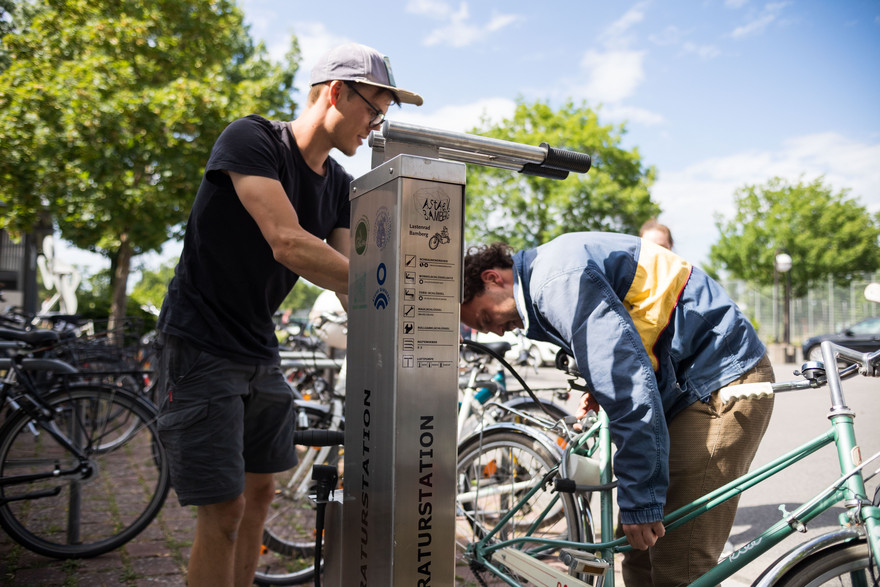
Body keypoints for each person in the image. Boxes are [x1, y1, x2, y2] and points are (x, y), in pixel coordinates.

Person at [153, 43, 422, 586]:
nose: (376, 125)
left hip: (258, 346)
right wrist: (400, 289)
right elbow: (288, 243)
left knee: (260, 495)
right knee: (224, 511)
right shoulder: (252, 140)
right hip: (200, 343)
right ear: (336, 92)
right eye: (374, 108)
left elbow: (352, 281)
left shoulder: (342, 186)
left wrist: (417, 334)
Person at [460, 232, 774, 587]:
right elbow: (628, 345)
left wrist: (641, 500)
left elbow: (625, 385)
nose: (499, 329)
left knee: (678, 565)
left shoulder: (555, 282)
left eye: (487, 319)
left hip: (721, 379)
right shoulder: (547, 274)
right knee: (638, 550)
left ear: (493, 279)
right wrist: (601, 381)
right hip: (686, 380)